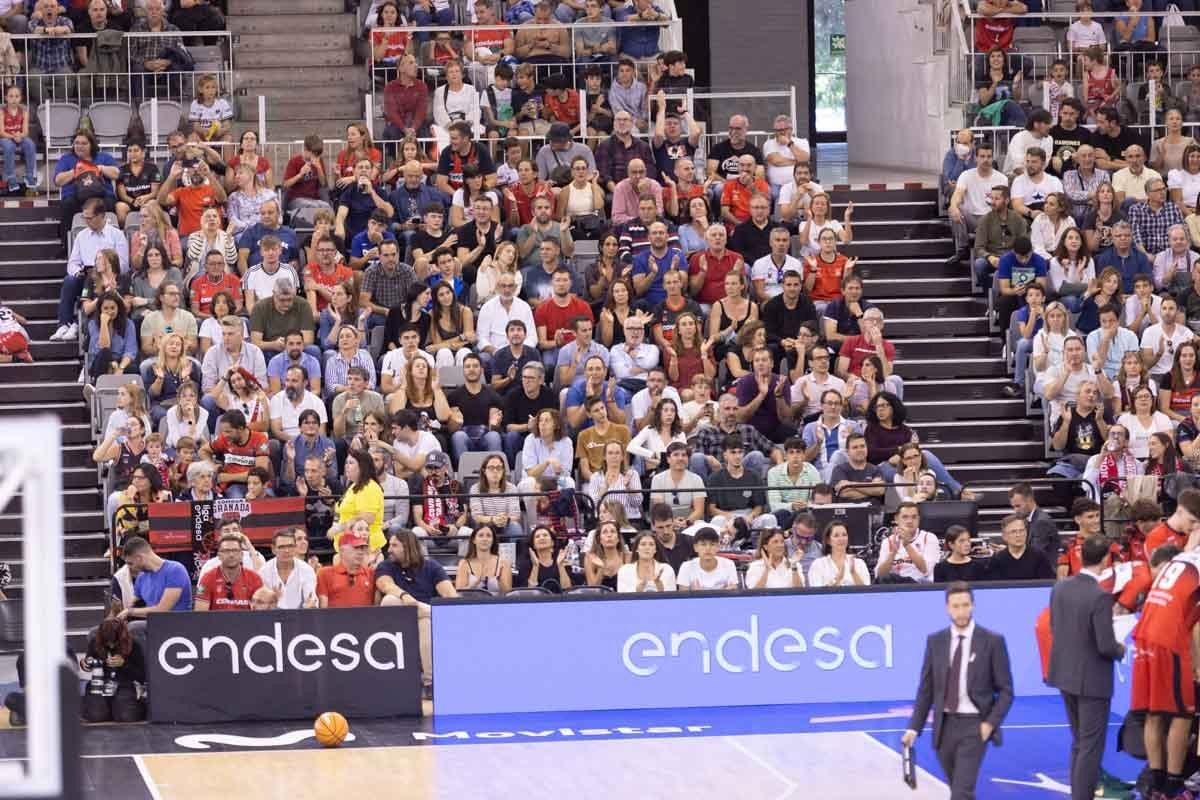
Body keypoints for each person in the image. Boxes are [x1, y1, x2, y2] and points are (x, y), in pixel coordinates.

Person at [901, 581, 1014, 800]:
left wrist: (989, 724)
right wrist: (914, 729)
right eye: (955, 606)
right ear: (947, 608)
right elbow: (926, 689)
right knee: (959, 789)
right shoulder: (936, 641)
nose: (961, 611)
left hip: (975, 726)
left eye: (965, 605)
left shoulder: (992, 641)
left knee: (961, 792)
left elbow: (1006, 690)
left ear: (972, 605)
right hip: (944, 727)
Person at [1048, 536, 1127, 800]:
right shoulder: (1099, 596)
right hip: (1092, 680)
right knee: (1090, 746)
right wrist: (1121, 649)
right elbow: (1105, 645)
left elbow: (1056, 627)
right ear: (1106, 559)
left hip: (1064, 674)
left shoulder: (1060, 588)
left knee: (1080, 742)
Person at [376, 528, 457, 692]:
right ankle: (433, 613)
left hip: (425, 621)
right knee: (390, 600)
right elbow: (385, 585)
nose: (389, 549)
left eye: (394, 545)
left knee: (426, 623)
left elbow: (450, 594)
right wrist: (405, 597)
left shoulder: (431, 566)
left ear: (407, 547)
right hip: (397, 621)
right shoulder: (386, 565)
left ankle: (429, 683)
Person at [80, 617, 146, 723]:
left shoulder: (134, 645)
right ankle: (107, 708)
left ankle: (121, 707)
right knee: (95, 716)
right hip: (100, 684)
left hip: (124, 684)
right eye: (107, 642)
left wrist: (124, 664)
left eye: (113, 642)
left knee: (126, 716)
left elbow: (142, 676)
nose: (110, 645)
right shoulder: (95, 642)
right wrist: (85, 663)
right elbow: (89, 661)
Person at [117, 536, 192, 620]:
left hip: (178, 625)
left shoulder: (175, 570)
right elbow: (131, 604)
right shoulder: (141, 577)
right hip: (153, 625)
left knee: (134, 628)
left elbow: (162, 610)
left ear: (140, 558)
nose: (129, 568)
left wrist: (129, 611)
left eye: (130, 563)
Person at [315, 526, 377, 607]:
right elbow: (323, 609)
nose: (360, 552)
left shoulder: (371, 573)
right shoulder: (325, 573)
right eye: (356, 548)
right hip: (336, 619)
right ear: (341, 551)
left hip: (366, 619)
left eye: (362, 548)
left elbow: (377, 608)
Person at [258, 528, 317, 609]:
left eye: (290, 546)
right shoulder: (264, 571)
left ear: (295, 547)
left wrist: (308, 607)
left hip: (301, 618)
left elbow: (311, 601)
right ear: (273, 549)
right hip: (271, 617)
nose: (286, 550)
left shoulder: (307, 570)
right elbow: (260, 607)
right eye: (281, 547)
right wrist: (273, 601)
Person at [807, 520, 870, 587]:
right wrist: (837, 580)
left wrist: (853, 572)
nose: (841, 539)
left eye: (844, 535)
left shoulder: (859, 563)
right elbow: (817, 594)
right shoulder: (818, 564)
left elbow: (867, 593)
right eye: (836, 536)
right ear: (828, 540)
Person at [455, 525, 513, 594]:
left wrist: (500, 581)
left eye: (488, 536)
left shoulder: (503, 563)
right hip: (472, 603)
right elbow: (459, 594)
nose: (485, 539)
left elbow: (508, 594)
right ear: (474, 540)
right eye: (481, 535)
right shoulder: (464, 563)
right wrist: (475, 584)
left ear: (493, 540)